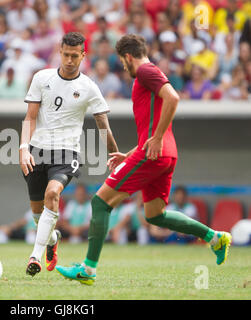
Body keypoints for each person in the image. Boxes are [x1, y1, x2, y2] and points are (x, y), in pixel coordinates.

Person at [56, 34, 232, 285]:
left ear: (128, 57)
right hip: (163, 153)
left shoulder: (146, 71)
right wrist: (131, 153)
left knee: (100, 202)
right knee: (155, 215)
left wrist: (157, 138)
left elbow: (173, 98)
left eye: (122, 61)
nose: (124, 68)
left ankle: (88, 269)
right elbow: (153, 121)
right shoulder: (149, 74)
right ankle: (215, 238)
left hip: (155, 151)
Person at [20, 32, 118, 277]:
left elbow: (103, 124)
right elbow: (30, 118)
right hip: (37, 151)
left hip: (67, 152)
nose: (70, 60)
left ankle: (35, 257)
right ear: (59, 51)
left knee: (53, 193)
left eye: (75, 56)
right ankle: (52, 240)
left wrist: (115, 154)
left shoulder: (89, 87)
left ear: (84, 55)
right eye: (66, 55)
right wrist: (23, 148)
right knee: (37, 214)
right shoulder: (41, 78)